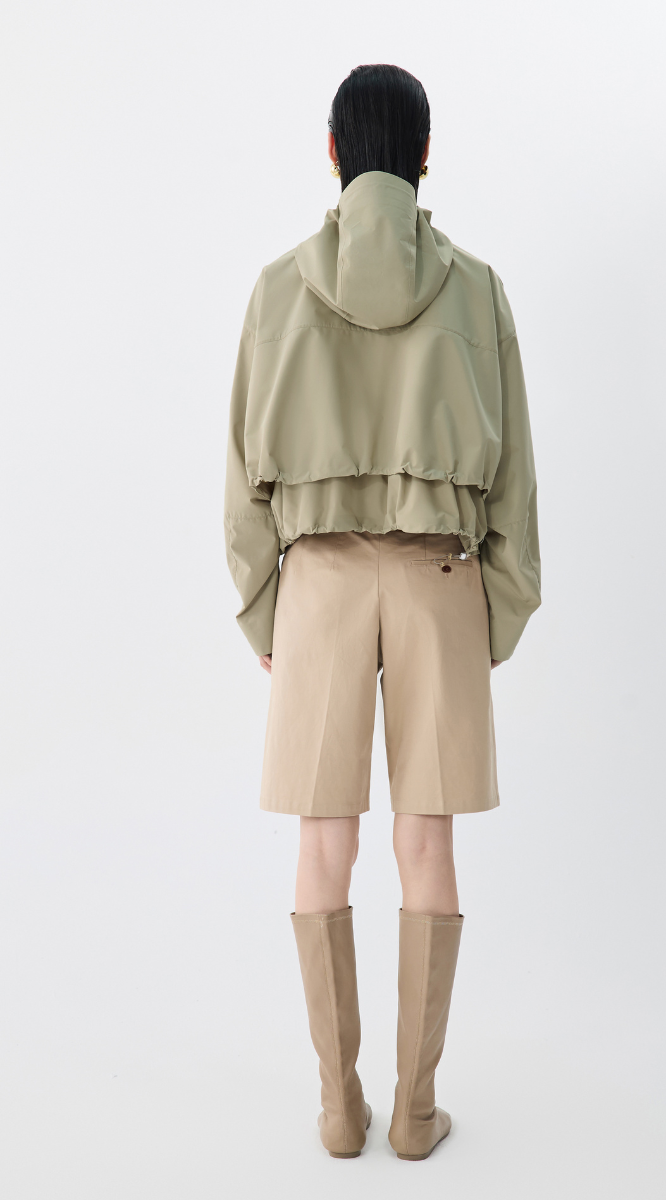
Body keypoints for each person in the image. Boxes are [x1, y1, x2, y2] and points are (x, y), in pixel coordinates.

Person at [224, 63, 541, 1161]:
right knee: (426, 839)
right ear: (423, 157)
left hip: (316, 582)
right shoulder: (476, 290)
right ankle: (414, 1112)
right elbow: (517, 484)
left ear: (332, 153)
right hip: (439, 577)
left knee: (323, 841)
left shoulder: (276, 289)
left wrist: (266, 610)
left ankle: (337, 1107)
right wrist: (494, 615)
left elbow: (240, 478)